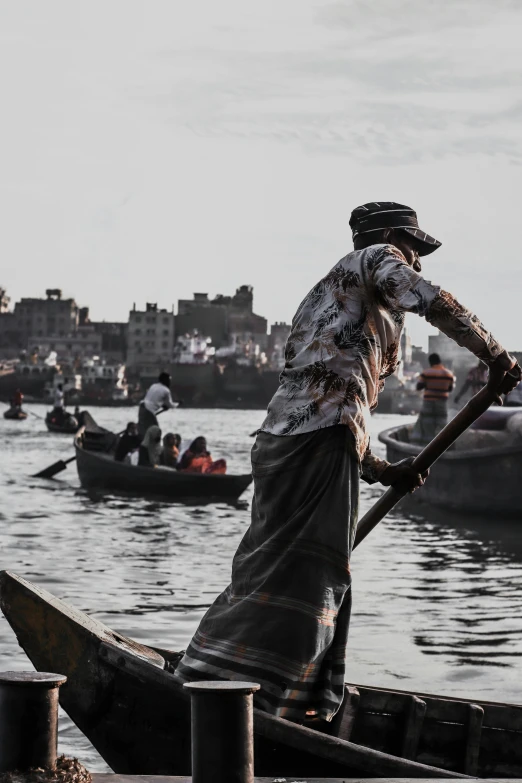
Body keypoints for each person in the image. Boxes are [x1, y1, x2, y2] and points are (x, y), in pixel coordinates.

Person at [172, 201, 520, 723]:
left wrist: (384, 471)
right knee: (311, 574)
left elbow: (331, 397)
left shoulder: (325, 298)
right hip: (316, 445)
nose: (417, 262)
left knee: (267, 567)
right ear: (381, 237)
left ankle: (216, 677)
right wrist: (494, 353)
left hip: (279, 443)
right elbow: (431, 300)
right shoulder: (376, 259)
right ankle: (251, 703)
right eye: (413, 247)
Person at [411, 353, 455, 443]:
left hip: (428, 403)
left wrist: (428, 384)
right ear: (440, 361)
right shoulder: (449, 374)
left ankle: (428, 446)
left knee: (428, 425)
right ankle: (442, 444)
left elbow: (418, 387)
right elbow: (450, 389)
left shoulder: (426, 373)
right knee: (442, 423)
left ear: (430, 362)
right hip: (442, 403)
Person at [138, 373, 176, 438]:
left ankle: (141, 443)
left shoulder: (153, 385)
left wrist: (163, 405)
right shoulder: (166, 390)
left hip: (142, 407)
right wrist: (178, 404)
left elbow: (154, 399)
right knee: (156, 431)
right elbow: (170, 405)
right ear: (165, 380)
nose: (170, 382)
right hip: (149, 410)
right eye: (169, 380)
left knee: (143, 430)